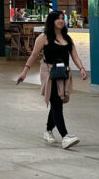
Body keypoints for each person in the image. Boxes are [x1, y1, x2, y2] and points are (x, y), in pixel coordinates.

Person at [16, 10, 88, 149]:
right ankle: (65, 136)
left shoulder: (67, 38)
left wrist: (81, 69)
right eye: (58, 19)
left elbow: (75, 56)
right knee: (56, 101)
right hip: (49, 72)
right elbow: (34, 55)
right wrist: (24, 72)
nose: (61, 21)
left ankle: (48, 130)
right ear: (52, 21)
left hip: (63, 72)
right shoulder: (44, 37)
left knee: (58, 101)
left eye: (62, 18)